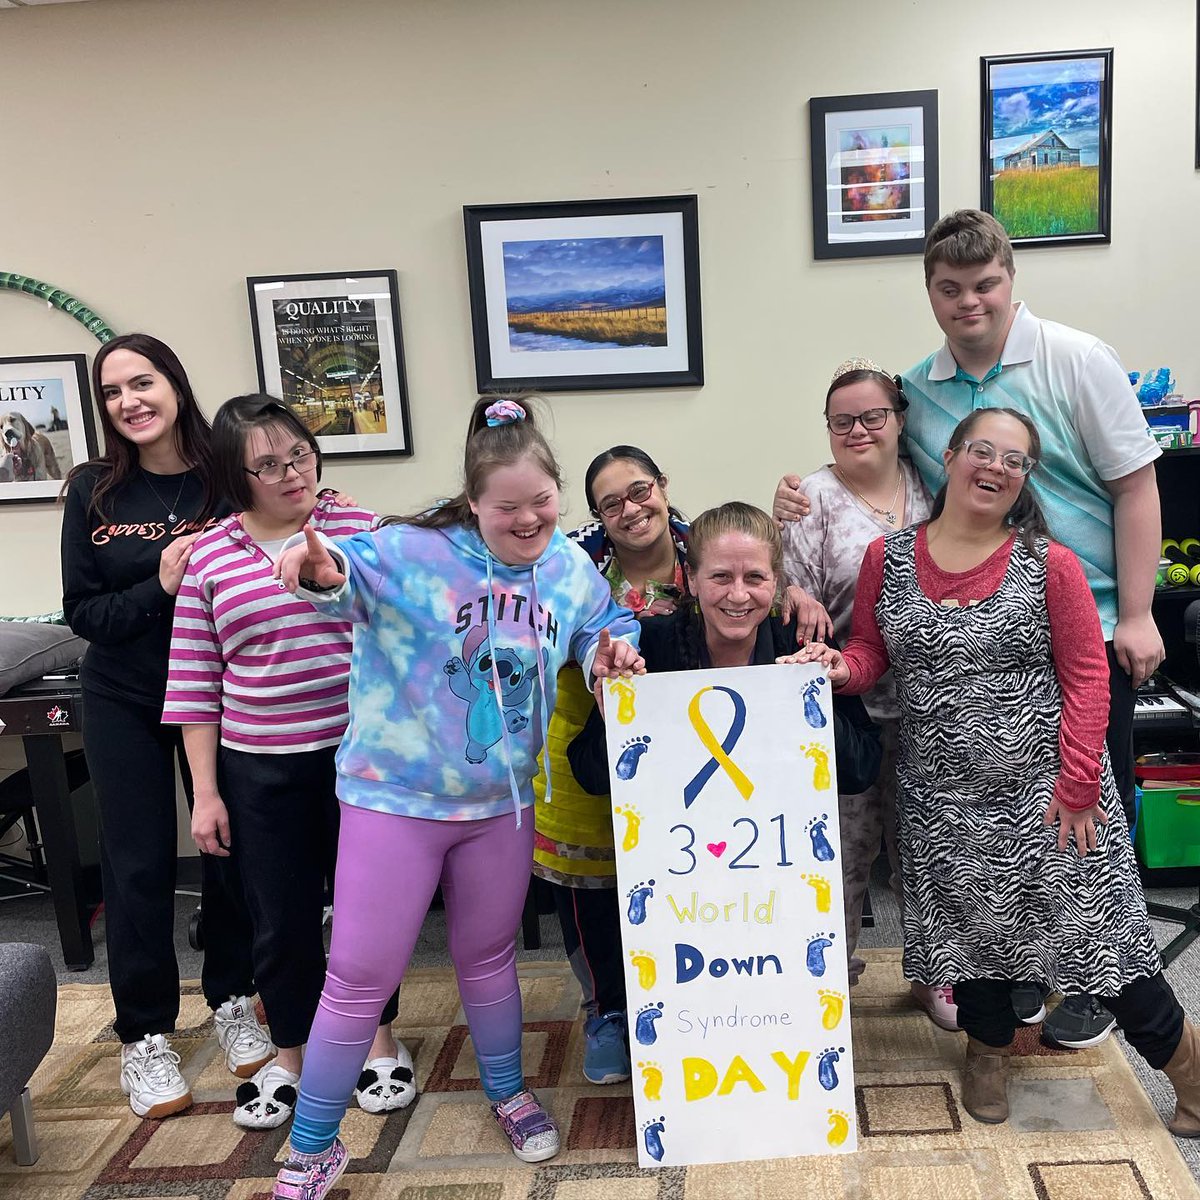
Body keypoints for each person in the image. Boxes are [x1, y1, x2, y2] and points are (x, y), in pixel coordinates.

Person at [775, 209, 1163, 1050]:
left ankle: (1092, 980)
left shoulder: (1076, 359)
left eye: (985, 284)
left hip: (1086, 618)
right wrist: (800, 494)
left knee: (1083, 825)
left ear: (1010, 280)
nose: (970, 302)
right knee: (985, 845)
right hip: (970, 648)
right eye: (950, 290)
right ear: (931, 295)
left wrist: (1137, 612)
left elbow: (1135, 484)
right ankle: (1007, 982)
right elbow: (878, 471)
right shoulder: (919, 390)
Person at [267, 398, 644, 1200]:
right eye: (507, 508)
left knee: (489, 958)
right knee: (358, 978)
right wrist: (318, 572)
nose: (528, 520)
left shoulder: (568, 567)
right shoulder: (410, 550)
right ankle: (311, 1148)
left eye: (542, 503)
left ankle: (506, 1091)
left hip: (499, 809)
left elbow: (599, 620)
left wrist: (614, 651)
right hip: (391, 801)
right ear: (474, 502)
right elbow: (337, 572)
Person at [798, 408, 1200, 1133]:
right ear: (950, 458)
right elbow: (871, 655)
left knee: (1099, 941)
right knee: (970, 939)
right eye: (982, 450)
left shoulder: (1049, 564)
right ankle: (987, 1053)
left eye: (1014, 461)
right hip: (941, 797)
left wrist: (1079, 787)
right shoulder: (887, 559)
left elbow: (1086, 680)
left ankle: (1188, 1068)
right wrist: (838, 668)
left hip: (1052, 795)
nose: (995, 467)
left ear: (1022, 481)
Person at [162, 395, 409, 1129]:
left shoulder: (361, 530)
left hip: (361, 760)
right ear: (237, 478)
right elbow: (195, 684)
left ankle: (381, 1042)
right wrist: (206, 793)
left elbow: (408, 623)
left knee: (370, 912)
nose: (290, 473)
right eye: (266, 465)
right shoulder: (209, 555)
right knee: (281, 918)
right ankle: (293, 1052)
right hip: (259, 766)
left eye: (298, 453)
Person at [61, 334, 270, 1119]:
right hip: (123, 694)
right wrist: (159, 582)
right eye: (113, 392)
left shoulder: (225, 477)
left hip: (218, 695)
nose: (129, 402)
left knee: (228, 845)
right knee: (138, 863)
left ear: (174, 384)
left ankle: (233, 994)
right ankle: (143, 1034)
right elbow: (83, 613)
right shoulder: (93, 491)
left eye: (141, 382)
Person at [568, 500, 882, 846]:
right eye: (720, 576)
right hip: (676, 863)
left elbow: (862, 770)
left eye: (755, 577)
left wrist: (815, 704)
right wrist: (619, 720)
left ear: (775, 581)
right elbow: (589, 775)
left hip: (784, 858)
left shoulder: (801, 642)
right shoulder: (652, 646)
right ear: (692, 579)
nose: (737, 594)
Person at [780, 358, 943, 1021]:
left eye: (872, 416)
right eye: (841, 420)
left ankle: (936, 972)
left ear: (899, 420)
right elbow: (796, 598)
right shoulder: (809, 499)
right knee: (842, 852)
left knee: (928, 846)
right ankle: (830, 980)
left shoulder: (933, 482)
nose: (858, 430)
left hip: (935, 701)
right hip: (847, 704)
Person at [533, 445, 690, 1087]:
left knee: (683, 883)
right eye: (611, 503)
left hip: (691, 755)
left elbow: (758, 570)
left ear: (663, 485)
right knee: (594, 894)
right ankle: (607, 1011)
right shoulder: (568, 564)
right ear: (596, 514)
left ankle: (687, 1007)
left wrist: (793, 587)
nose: (631, 509)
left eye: (640, 490)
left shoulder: (704, 547)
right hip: (587, 744)